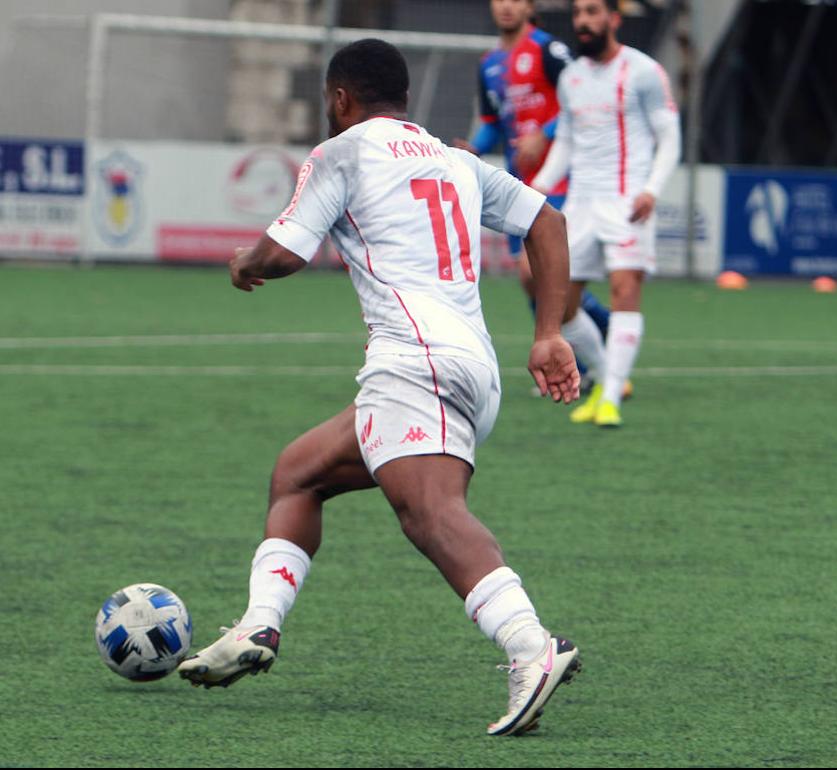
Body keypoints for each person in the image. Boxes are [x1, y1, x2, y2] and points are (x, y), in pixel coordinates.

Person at [176, 39, 582, 737]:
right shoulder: (454, 159)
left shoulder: (343, 152)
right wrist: (547, 331)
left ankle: (529, 644)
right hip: (469, 366)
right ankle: (258, 627)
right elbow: (546, 220)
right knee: (299, 472)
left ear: (340, 99)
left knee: (429, 513)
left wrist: (246, 262)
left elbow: (286, 251)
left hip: (412, 360)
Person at [531, 0, 681, 427]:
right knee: (562, 305)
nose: (583, 21)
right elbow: (566, 142)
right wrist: (540, 186)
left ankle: (611, 395)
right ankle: (602, 379)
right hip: (580, 205)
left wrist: (652, 189)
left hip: (626, 202)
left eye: (593, 12)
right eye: (579, 13)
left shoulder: (644, 71)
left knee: (624, 291)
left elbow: (670, 137)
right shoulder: (573, 78)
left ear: (614, 19)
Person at [455, 0, 618, 391]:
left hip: (560, 180)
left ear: (529, 7)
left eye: (516, 0)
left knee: (536, 270)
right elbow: (494, 123)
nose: (506, 7)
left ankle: (596, 338)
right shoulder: (489, 62)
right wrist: (473, 149)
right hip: (518, 183)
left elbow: (583, 99)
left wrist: (542, 135)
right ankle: (582, 341)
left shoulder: (548, 50)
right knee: (531, 281)